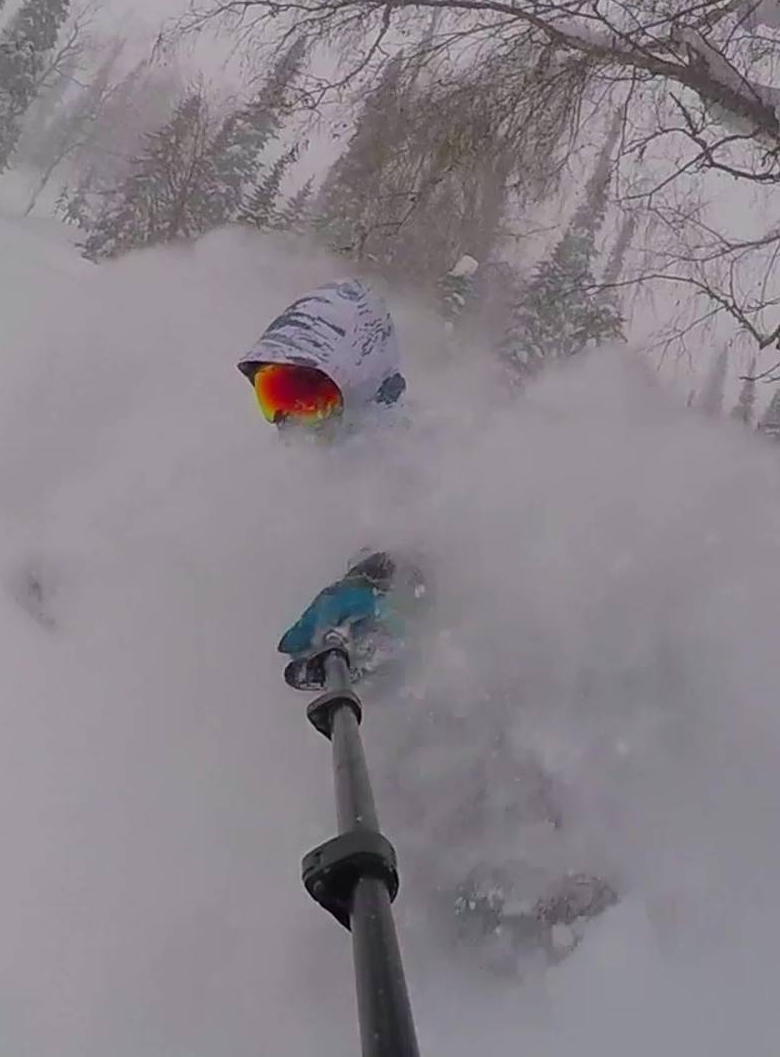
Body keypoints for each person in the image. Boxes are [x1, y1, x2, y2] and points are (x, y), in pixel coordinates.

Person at [241, 279, 616, 970]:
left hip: (488, 761)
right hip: (408, 758)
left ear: (364, 382)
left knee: (498, 924)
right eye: (274, 396)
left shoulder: (420, 455)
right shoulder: (315, 472)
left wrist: (385, 586)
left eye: (307, 396)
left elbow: (448, 544)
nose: (286, 421)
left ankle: (563, 945)